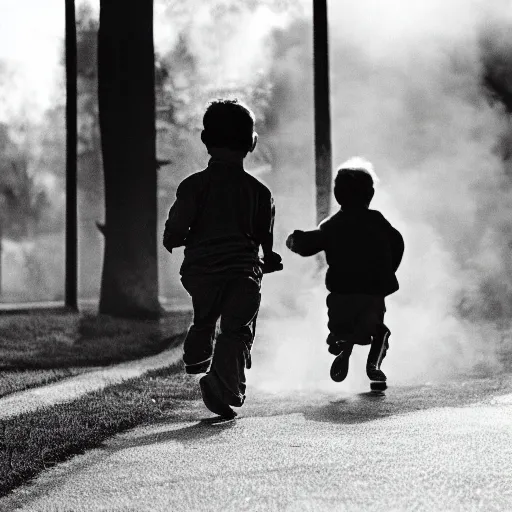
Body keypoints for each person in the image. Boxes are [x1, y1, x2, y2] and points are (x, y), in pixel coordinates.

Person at [163, 99, 282, 418]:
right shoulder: (259, 192)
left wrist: (172, 237)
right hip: (243, 274)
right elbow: (264, 234)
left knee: (205, 313)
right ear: (251, 144)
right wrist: (269, 257)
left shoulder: (194, 185)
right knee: (237, 329)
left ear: (205, 140)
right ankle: (223, 385)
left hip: (200, 272)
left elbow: (179, 221)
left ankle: (197, 347)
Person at [286, 157, 404, 384]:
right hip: (371, 293)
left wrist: (296, 241)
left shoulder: (333, 224)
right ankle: (374, 365)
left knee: (340, 328)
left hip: (342, 293)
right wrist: (389, 272)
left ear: (338, 194)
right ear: (370, 194)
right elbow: (397, 243)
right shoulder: (377, 221)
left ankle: (343, 347)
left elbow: (312, 242)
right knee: (375, 329)